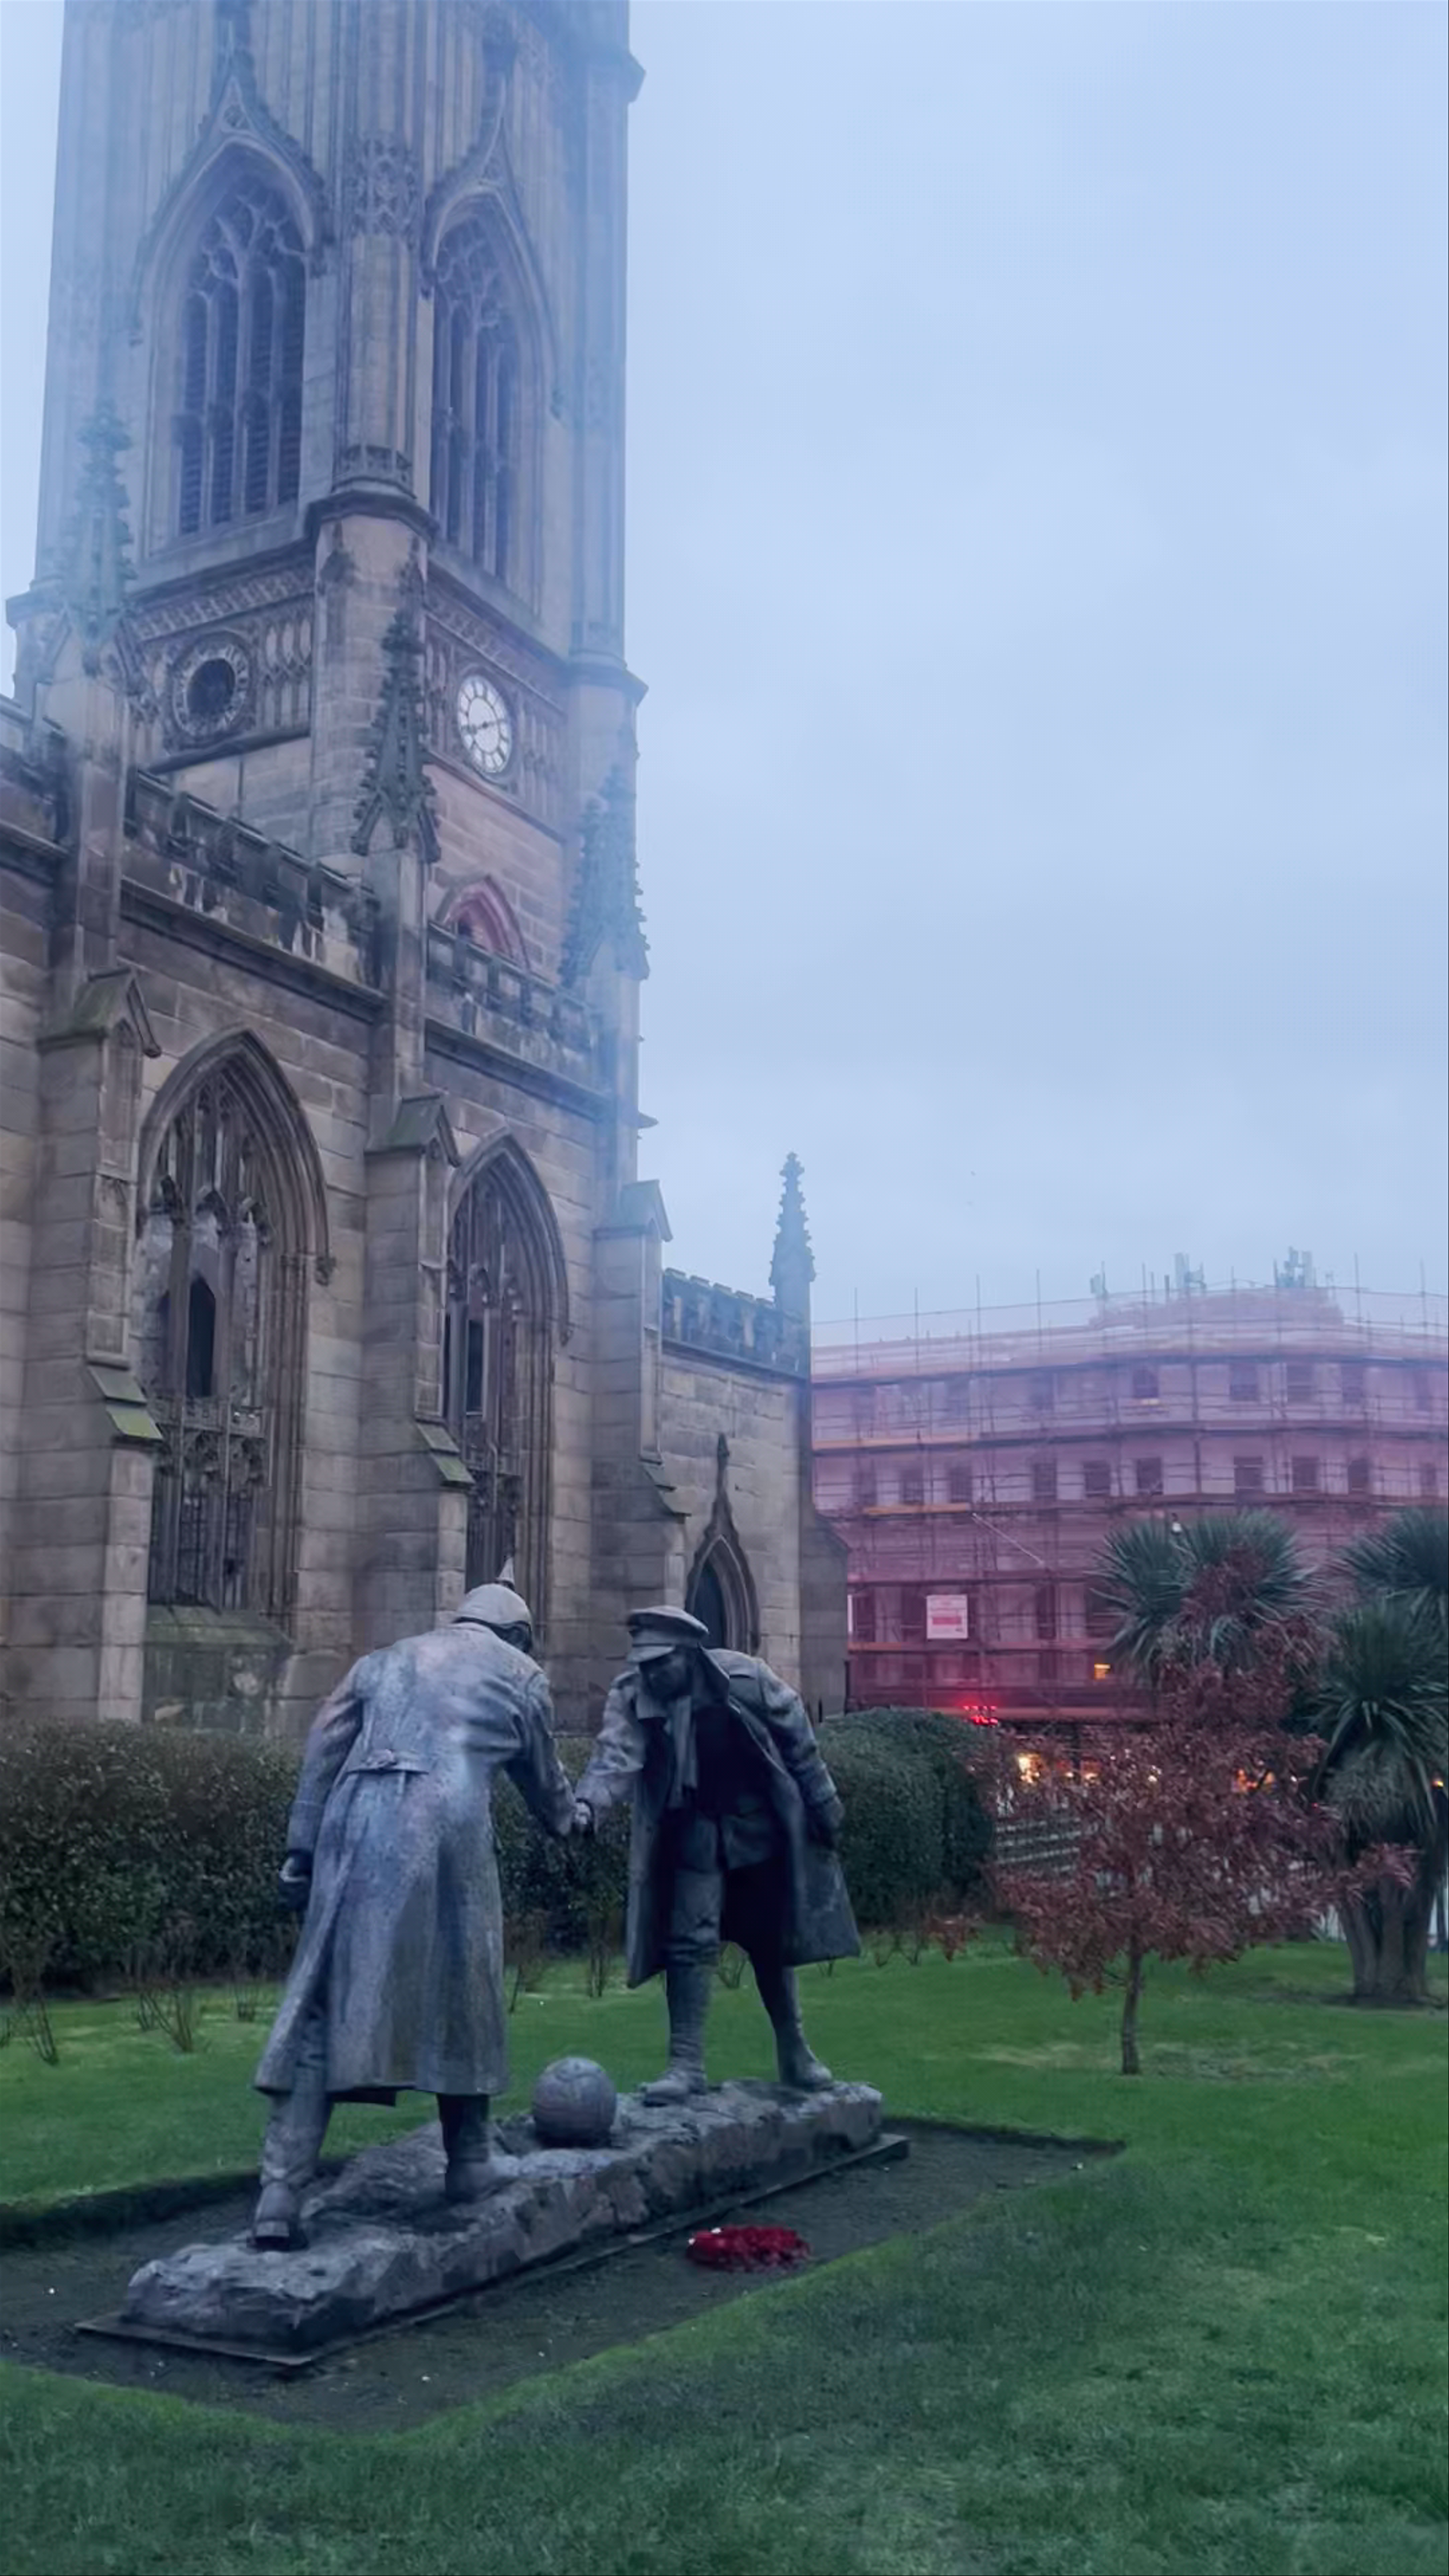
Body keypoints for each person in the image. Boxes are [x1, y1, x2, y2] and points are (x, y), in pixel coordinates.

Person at [250, 1582, 574, 2249]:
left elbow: (323, 1748)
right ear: (517, 1634)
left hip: (354, 1814)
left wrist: (301, 1848)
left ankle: (279, 2194)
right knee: (465, 1988)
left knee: (323, 2001)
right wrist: (576, 1817)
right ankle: (471, 2161)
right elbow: (545, 1783)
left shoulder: (387, 1658)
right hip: (446, 1820)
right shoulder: (521, 1670)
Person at [573, 1606, 858, 2100]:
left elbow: (798, 1736)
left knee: (772, 1940)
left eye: (663, 1662)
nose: (653, 1673)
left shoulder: (746, 1678)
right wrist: (587, 1807)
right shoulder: (631, 1693)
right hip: (696, 1828)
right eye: (646, 1663)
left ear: (688, 1654)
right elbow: (615, 1757)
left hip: (760, 1824)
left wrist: (824, 1801)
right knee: (689, 1940)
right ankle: (686, 2064)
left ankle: (795, 2050)